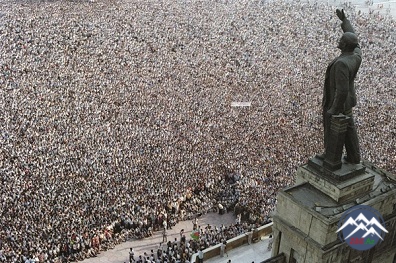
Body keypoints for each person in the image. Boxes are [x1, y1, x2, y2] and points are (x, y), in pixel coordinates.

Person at [320, 9, 362, 165]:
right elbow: (355, 40)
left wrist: (333, 109)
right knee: (350, 129)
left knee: (333, 131)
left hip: (338, 104)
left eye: (341, 39)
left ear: (344, 45)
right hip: (348, 104)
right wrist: (344, 21)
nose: (339, 40)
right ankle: (354, 157)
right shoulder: (355, 56)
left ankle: (331, 159)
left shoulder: (341, 64)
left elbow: (342, 90)